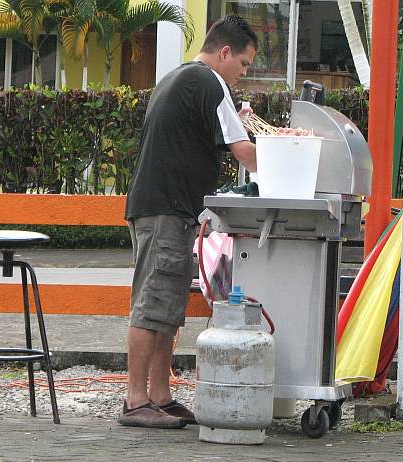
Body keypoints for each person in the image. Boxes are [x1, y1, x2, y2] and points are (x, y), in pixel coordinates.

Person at [119, 15, 258, 429]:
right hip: (165, 210)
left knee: (167, 309)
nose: (243, 74)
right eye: (245, 64)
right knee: (151, 305)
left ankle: (160, 396)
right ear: (226, 52)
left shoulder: (177, 77)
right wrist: (297, 155)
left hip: (166, 208)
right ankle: (135, 400)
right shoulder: (209, 82)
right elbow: (244, 151)